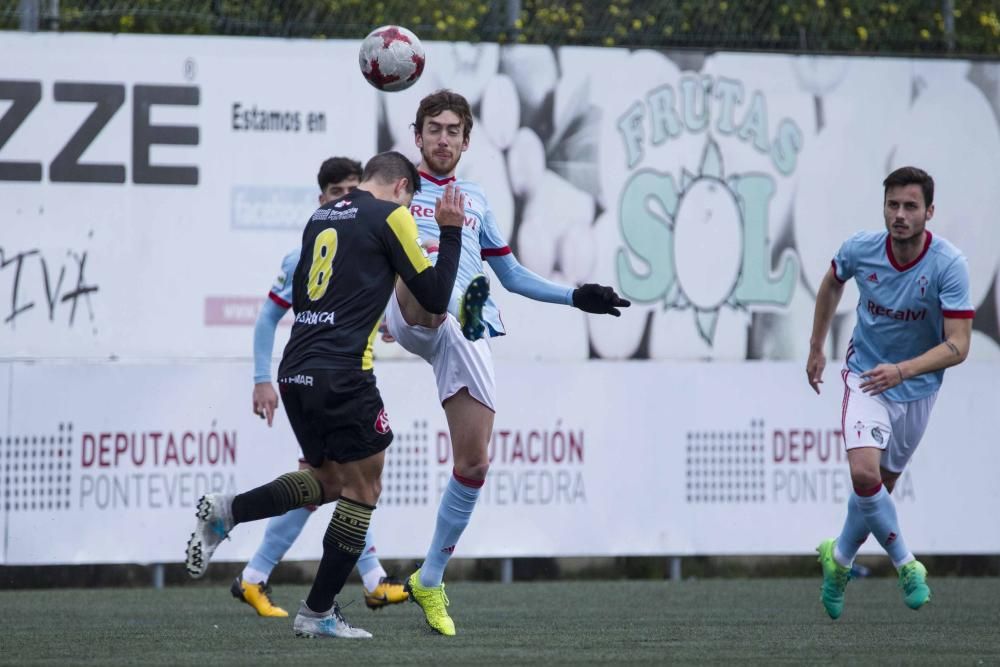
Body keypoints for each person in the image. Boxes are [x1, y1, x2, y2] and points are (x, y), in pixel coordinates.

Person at [186, 151, 466, 639]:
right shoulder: (393, 214)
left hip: (296, 369)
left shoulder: (320, 217)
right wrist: (450, 230)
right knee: (364, 488)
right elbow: (436, 297)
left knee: (328, 481)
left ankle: (230, 511)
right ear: (402, 186)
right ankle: (317, 612)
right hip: (343, 373)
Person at [383, 89, 631, 636]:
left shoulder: (476, 200)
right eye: (434, 129)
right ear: (416, 135)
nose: (443, 138)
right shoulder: (398, 189)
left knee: (474, 464)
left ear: (467, 141)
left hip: (462, 329)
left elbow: (512, 276)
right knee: (425, 288)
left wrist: (575, 296)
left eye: (453, 131)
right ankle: (425, 297)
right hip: (415, 311)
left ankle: (430, 577)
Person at [233, 156, 408, 617]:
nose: (348, 199)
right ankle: (277, 578)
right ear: (322, 199)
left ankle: (255, 571)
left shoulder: (367, 242)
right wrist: (259, 380)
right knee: (348, 483)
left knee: (334, 483)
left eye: (354, 189)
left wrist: (390, 323)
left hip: (324, 374)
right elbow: (269, 318)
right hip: (329, 377)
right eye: (337, 192)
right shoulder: (305, 252)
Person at [806, 166, 973, 620]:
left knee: (876, 494)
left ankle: (838, 560)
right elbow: (832, 282)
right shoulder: (861, 248)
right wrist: (817, 345)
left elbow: (959, 345)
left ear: (929, 212)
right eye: (892, 205)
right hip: (865, 377)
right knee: (864, 476)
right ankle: (907, 566)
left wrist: (903, 371)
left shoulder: (949, 265)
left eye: (910, 206)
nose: (900, 215)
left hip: (916, 389)